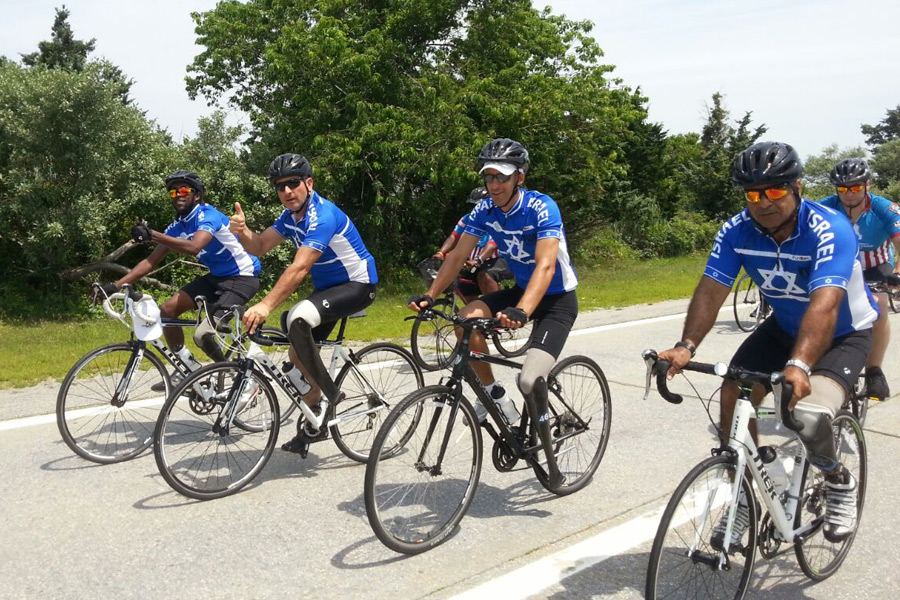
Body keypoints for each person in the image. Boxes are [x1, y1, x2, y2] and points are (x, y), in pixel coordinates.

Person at [658, 141, 879, 547]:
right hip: (784, 326)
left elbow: (825, 305)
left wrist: (799, 364)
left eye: (774, 191)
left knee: (810, 417)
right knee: (733, 389)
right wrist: (686, 344)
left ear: (797, 187)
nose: (763, 202)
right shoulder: (736, 229)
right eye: (753, 193)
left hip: (843, 332)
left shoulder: (830, 228)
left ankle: (837, 479)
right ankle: (743, 492)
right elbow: (712, 289)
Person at [409, 138, 578, 488]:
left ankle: (551, 463)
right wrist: (430, 294)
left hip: (556, 299)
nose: (494, 184)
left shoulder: (542, 207)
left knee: (530, 380)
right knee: (465, 319)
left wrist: (521, 311)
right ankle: (496, 397)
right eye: (489, 177)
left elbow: (546, 267)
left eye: (501, 177)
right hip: (520, 292)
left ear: (519, 176)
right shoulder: (483, 210)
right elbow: (456, 257)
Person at [230, 153, 378, 454]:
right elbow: (259, 246)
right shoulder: (290, 217)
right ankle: (316, 413)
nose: (286, 191)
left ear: (308, 183)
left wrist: (265, 305)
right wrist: (243, 231)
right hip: (330, 290)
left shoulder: (323, 216)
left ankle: (330, 394)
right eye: (280, 186)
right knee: (294, 343)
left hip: (358, 285)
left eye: (293, 184)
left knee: (296, 318)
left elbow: (299, 268)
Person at [98, 171, 262, 388]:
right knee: (166, 312)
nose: (178, 195)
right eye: (174, 191)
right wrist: (113, 286)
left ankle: (239, 378)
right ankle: (189, 368)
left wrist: (153, 234)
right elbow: (150, 262)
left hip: (243, 276)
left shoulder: (207, 215)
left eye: (184, 190)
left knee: (203, 335)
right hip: (218, 277)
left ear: (197, 195)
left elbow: (194, 247)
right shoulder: (177, 226)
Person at [817, 158, 900, 400]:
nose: (849, 194)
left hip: (876, 266)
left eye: (855, 188)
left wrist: (897, 273)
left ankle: (874, 371)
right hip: (842, 266)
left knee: (879, 303)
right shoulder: (827, 207)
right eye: (843, 189)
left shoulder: (884, 208)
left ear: (867, 185)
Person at [432, 187, 503, 303]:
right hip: (474, 261)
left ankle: (497, 310)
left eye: (479, 206)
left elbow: (492, 244)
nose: (476, 209)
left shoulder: (497, 220)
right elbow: (454, 236)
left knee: (484, 276)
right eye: (473, 206)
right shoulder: (467, 219)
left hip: (497, 259)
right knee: (462, 282)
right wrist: (441, 252)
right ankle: (476, 317)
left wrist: (479, 259)